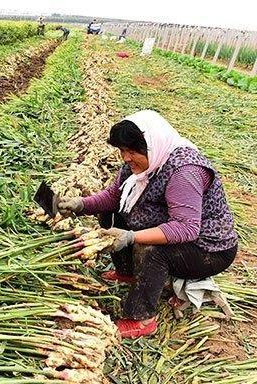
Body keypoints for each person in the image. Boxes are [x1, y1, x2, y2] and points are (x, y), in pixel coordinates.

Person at [57, 110, 238, 338]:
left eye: (132, 151)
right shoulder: (141, 163)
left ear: (152, 145)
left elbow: (186, 228)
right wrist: (81, 204)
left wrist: (131, 237)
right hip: (180, 232)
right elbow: (114, 196)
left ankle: (143, 319)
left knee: (151, 248)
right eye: (123, 151)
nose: (125, 157)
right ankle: (128, 273)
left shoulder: (185, 171)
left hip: (208, 249)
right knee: (114, 212)